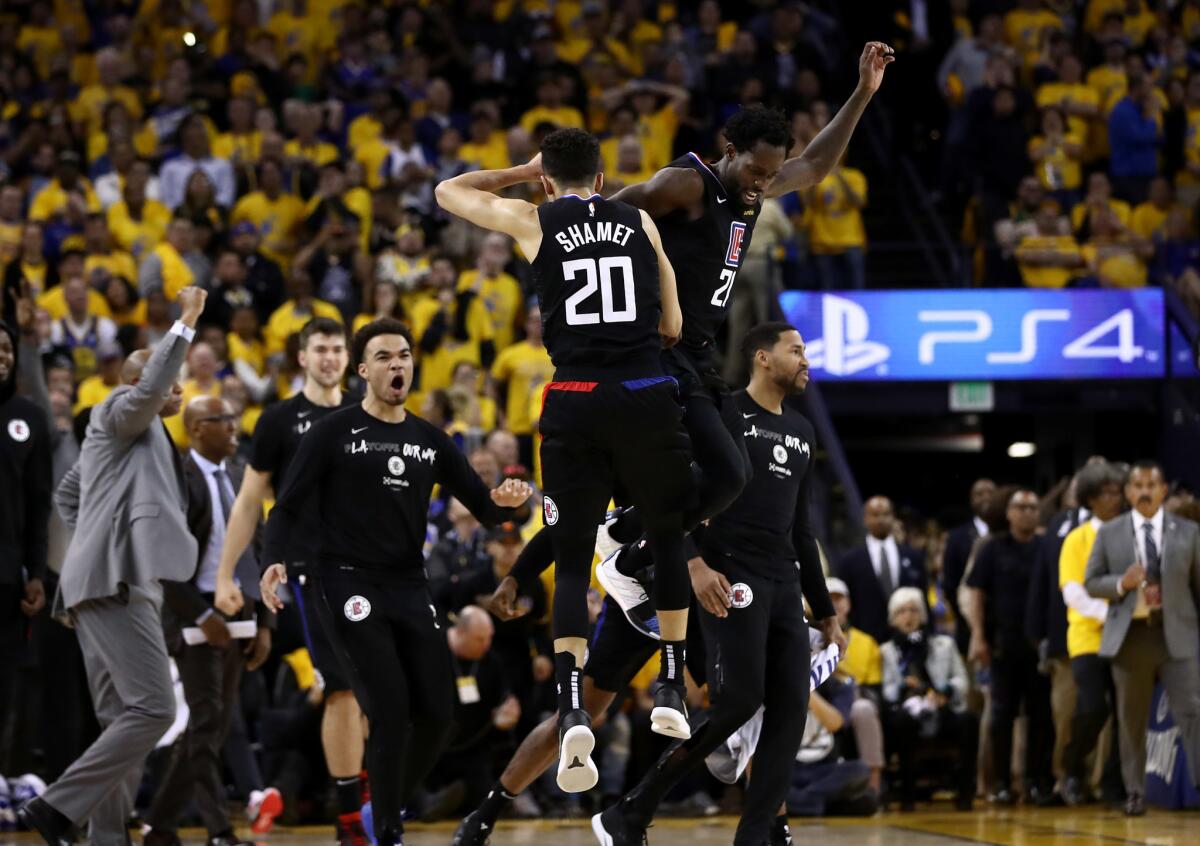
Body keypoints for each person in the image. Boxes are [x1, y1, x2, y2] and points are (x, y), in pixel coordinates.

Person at [451, 322, 842, 846]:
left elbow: (789, 524)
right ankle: (488, 811)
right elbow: (572, 521)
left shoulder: (724, 421)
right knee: (583, 713)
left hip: (703, 596)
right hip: (658, 585)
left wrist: (818, 606)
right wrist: (521, 573)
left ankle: (769, 823)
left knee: (747, 707)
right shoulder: (659, 424)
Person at [435, 127, 697, 789]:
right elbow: (672, 328)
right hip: (645, 391)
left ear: (548, 180)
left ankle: (573, 704)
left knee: (573, 552)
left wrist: (520, 174)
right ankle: (669, 683)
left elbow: (448, 191)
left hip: (575, 395)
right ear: (603, 180)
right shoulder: (639, 220)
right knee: (667, 534)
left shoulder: (533, 219)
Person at [258, 319, 532, 846]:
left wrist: (508, 503)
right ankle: (387, 830)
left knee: (439, 714)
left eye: (403, 355)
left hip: (408, 584)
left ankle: (378, 810)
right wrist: (274, 560)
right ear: (363, 371)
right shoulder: (332, 432)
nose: (397, 364)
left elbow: (485, 506)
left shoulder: (431, 440)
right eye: (383, 357)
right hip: (345, 582)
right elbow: (286, 508)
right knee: (388, 707)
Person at [591, 322, 842, 846]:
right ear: (762, 358)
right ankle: (633, 809)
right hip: (729, 573)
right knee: (737, 702)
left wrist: (826, 611)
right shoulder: (724, 412)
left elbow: (802, 529)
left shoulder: (802, 429)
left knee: (790, 711)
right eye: (795, 350)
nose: (804, 360)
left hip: (782, 579)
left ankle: (755, 838)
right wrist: (694, 564)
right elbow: (672, 497)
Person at [17, 287, 207, 846]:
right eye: (165, 380)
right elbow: (149, 387)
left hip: (99, 581)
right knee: (155, 708)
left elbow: (70, 495)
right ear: (135, 385)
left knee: (122, 719)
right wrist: (185, 324)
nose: (176, 388)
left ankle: (106, 836)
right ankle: (56, 806)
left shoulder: (125, 442)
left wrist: (94, 540)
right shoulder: (120, 411)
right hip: (118, 584)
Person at [212, 317, 370, 844]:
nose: (329, 357)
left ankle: (366, 798)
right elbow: (248, 503)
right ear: (302, 357)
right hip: (309, 571)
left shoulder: (366, 410)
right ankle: (352, 813)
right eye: (320, 348)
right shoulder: (279, 420)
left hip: (372, 568)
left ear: (349, 359)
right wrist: (225, 572)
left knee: (383, 689)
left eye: (337, 349)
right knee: (344, 688)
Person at [145, 396, 276, 846]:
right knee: (206, 722)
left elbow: (256, 552)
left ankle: (161, 825)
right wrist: (202, 614)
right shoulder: (176, 479)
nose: (235, 425)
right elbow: (161, 562)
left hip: (237, 612)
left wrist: (263, 624)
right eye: (223, 419)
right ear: (198, 428)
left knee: (214, 729)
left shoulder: (242, 476)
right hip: (191, 611)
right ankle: (219, 829)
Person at [1085, 461, 1200, 817]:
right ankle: (1135, 792)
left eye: (1152, 483)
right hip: (1132, 636)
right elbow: (1091, 582)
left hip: (1175, 634)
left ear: (1164, 489)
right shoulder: (1109, 532)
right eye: (1138, 485)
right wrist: (1121, 583)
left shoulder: (1189, 531)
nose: (1145, 490)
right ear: (1128, 492)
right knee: (1131, 719)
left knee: (1193, 713)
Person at [968, 489, 1056, 805]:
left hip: (1040, 645)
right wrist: (978, 636)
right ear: (1009, 513)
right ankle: (1002, 784)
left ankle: (1037, 782)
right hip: (1003, 644)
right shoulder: (992, 548)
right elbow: (977, 594)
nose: (1028, 513)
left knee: (1042, 716)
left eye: (1033, 507)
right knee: (1002, 716)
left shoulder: (1047, 547)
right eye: (1021, 507)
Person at [0, 317, 52, 771]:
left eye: (5, 349)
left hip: (7, 580)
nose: (1, 357)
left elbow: (39, 506)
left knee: (5, 688)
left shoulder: (29, 418)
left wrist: (35, 573)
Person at [1059, 461, 1126, 806]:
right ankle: (1072, 767)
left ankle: (1113, 785)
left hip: (1129, 638)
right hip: (1088, 636)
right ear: (1089, 498)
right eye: (1105, 493)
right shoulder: (1077, 539)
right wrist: (1110, 616)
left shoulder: (1133, 535)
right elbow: (1073, 593)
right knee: (1094, 707)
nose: (1113, 499)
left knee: (1126, 714)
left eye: (1117, 492)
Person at [880, 587, 977, 811]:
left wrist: (946, 692)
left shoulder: (943, 644)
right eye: (901, 611)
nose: (908, 616)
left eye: (913, 610)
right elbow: (886, 690)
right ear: (893, 618)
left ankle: (965, 793)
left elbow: (962, 679)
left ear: (922, 614)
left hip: (942, 707)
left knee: (969, 721)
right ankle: (907, 795)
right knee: (902, 723)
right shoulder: (887, 651)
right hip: (908, 711)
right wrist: (905, 688)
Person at [836, 496, 928, 644]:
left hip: (910, 640)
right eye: (875, 515)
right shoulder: (849, 562)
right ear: (865, 519)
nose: (881, 520)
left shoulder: (913, 556)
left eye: (886, 514)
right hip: (867, 641)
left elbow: (924, 601)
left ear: (893, 517)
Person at [943, 478, 996, 652]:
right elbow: (950, 584)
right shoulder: (956, 537)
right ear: (972, 500)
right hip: (968, 625)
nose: (986, 497)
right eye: (979, 494)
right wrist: (966, 617)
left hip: (1004, 627)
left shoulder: (1009, 533)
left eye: (990, 492)